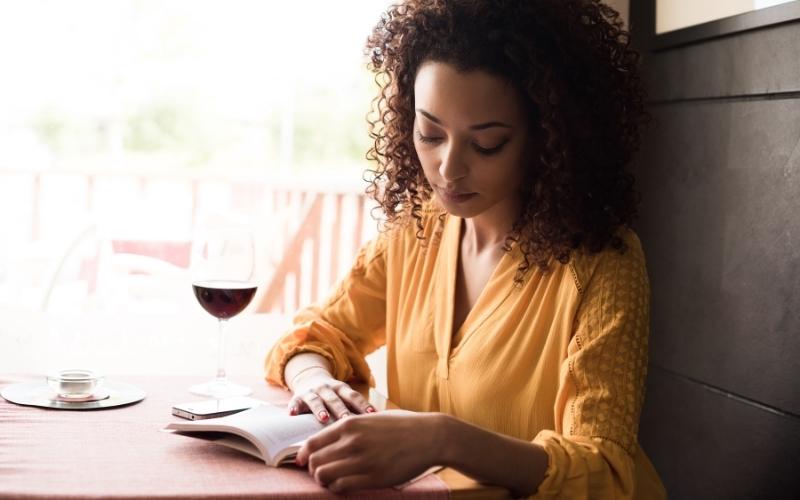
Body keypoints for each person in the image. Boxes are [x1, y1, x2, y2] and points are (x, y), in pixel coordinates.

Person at [265, 0, 666, 497]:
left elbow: (602, 468)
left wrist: (443, 439)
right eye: (430, 133)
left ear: (549, 138)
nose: (448, 169)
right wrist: (312, 382)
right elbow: (317, 335)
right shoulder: (417, 227)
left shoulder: (603, 262)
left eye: (487, 144)